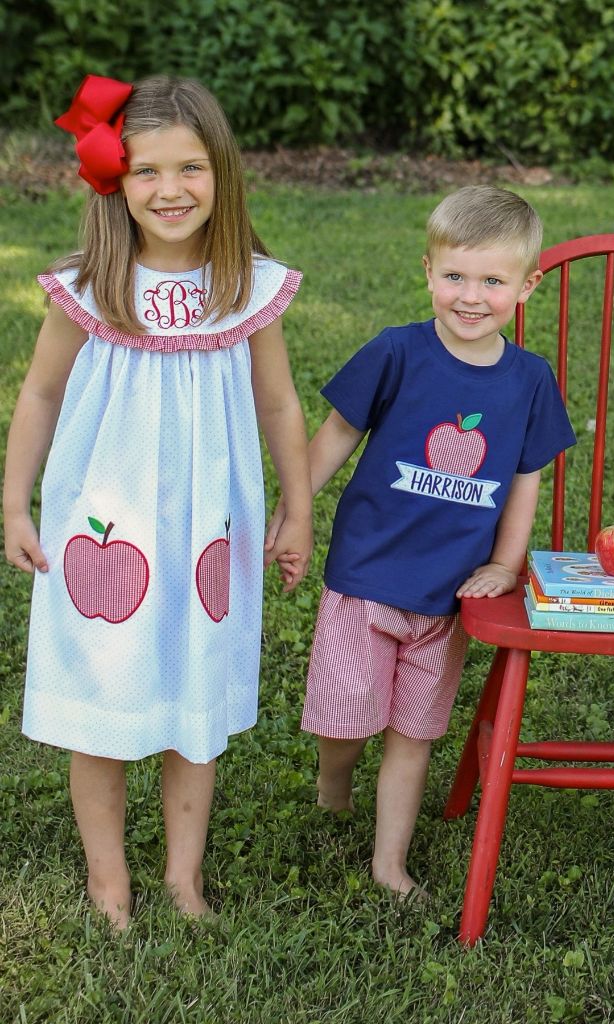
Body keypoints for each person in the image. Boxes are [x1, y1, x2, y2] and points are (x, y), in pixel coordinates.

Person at [2, 74, 312, 929]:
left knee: (194, 697)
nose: (170, 189)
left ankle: (184, 877)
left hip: (208, 526)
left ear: (222, 174)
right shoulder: (88, 287)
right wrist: (15, 503)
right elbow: (40, 394)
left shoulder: (246, 287)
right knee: (101, 699)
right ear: (116, 180)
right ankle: (109, 882)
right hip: (107, 527)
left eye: (190, 168)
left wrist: (297, 507)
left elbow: (279, 404)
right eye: (147, 170)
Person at [269, 185, 575, 897]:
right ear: (428, 270)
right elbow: (336, 437)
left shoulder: (530, 380)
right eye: (455, 276)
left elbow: (525, 479)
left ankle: (389, 864)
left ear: (527, 286)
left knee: (413, 733)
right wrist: (291, 513)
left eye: (493, 281)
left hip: (448, 591)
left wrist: (505, 564)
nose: (471, 297)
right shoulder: (396, 352)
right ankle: (334, 781)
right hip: (367, 574)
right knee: (348, 719)